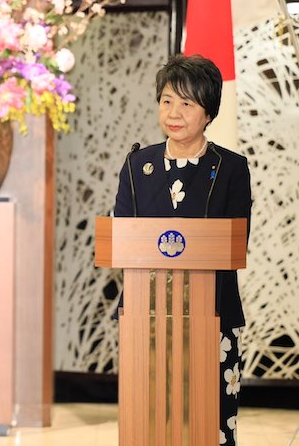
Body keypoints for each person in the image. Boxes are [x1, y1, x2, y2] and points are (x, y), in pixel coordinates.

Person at [113, 54, 251, 445]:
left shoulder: (230, 168)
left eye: (187, 104)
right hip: (148, 315)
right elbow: (123, 237)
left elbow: (236, 243)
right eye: (167, 101)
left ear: (208, 113)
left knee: (209, 422)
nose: (174, 112)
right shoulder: (137, 165)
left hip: (212, 313)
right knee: (151, 419)